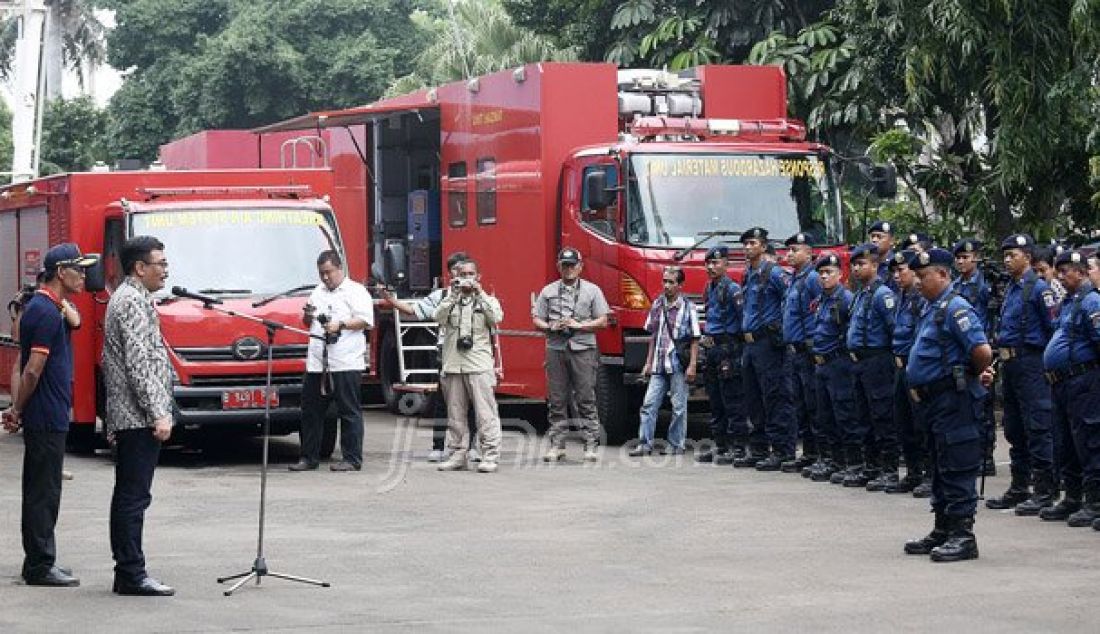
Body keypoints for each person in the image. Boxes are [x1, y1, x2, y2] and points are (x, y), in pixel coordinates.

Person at [2, 244, 96, 588]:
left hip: (50, 412)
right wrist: (17, 409)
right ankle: (39, 565)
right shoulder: (43, 311)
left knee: (47, 488)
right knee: (43, 492)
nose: (84, 276)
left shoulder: (51, 306)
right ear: (60, 272)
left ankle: (40, 561)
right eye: (79, 270)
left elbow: (77, 320)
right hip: (44, 414)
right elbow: (32, 370)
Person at [902, 248, 992, 563]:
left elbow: (981, 350)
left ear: (942, 274)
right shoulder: (932, 308)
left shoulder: (956, 308)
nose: (916, 282)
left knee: (957, 464)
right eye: (915, 276)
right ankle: (943, 529)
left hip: (953, 399)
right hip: (934, 402)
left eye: (922, 276)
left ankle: (963, 536)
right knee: (940, 466)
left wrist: (973, 373)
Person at [102, 236, 176, 596]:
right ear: (139, 268)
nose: (166, 269)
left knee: (132, 495)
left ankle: (129, 571)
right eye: (159, 263)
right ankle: (131, 573)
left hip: (137, 414)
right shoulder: (130, 301)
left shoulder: (137, 297)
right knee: (133, 496)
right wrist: (158, 412)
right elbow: (138, 363)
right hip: (136, 417)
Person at [985, 234, 1058, 515]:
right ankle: (1019, 486)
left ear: (1027, 257)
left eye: (1012, 255)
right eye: (1004, 255)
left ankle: (1044, 489)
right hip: (1010, 364)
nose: (1006, 260)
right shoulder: (1012, 290)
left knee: (1038, 426)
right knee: (1014, 428)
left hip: (1031, 362)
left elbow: (1053, 329)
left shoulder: (1039, 289)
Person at [385, 251, 479, 462]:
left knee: (473, 401)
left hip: (472, 355)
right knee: (442, 401)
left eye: (464, 271)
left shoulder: (478, 295)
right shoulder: (442, 296)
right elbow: (416, 310)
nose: (459, 275)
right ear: (449, 273)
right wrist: (392, 301)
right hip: (446, 354)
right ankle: (438, 446)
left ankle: (474, 445)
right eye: (455, 270)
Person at [290, 250, 375, 472]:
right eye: (321, 273)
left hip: (345, 361)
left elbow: (366, 320)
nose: (325, 277)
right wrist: (308, 316)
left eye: (328, 272)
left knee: (348, 411)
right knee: (311, 411)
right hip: (318, 361)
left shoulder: (356, 291)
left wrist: (341, 325)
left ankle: (352, 458)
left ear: (340, 269)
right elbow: (307, 322)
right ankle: (309, 457)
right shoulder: (317, 292)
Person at [1039, 250, 1100, 527]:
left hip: (1084, 380)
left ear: (1082, 272)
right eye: (1059, 271)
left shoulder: (1092, 302)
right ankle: (1072, 497)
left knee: (1088, 441)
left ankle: (1095, 501)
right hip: (1063, 382)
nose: (1061, 277)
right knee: (1065, 441)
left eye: (1066, 271)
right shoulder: (1069, 302)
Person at [533, 247, 610, 462]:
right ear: (558, 266)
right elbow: (536, 319)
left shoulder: (592, 291)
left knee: (585, 397)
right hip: (556, 348)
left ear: (580, 267)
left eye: (572, 265)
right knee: (557, 399)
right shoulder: (548, 291)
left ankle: (591, 444)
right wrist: (550, 326)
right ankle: (557, 444)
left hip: (583, 348)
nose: (568, 269)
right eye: (564, 265)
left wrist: (579, 325)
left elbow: (603, 321)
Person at [434, 259, 504, 473]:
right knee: (455, 414)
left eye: (470, 274)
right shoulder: (450, 299)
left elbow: (496, 318)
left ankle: (490, 454)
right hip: (454, 364)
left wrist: (479, 293)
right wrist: (454, 295)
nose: (466, 278)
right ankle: (457, 454)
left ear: (478, 276)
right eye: (462, 274)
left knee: (485, 413)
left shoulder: (488, 300)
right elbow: (437, 317)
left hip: (479, 364)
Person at [8, 277, 80, 482]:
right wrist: (22, 307)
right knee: (22, 368)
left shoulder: (60, 304)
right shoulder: (37, 307)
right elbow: (17, 337)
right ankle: (17, 407)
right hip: (43, 401)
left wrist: (61, 302)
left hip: (53, 387)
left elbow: (76, 322)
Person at [735, 227, 794, 470]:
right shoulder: (748, 273)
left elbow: (789, 300)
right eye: (745, 244)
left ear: (763, 245)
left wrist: (779, 331)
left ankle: (781, 450)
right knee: (753, 397)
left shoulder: (774, 273)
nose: (748, 248)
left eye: (752, 243)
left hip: (767, 343)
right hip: (749, 344)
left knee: (775, 396)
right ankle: (758, 447)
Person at [630, 266, 699, 456]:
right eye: (665, 281)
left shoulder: (688, 308)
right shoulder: (657, 305)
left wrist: (692, 365)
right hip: (659, 365)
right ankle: (645, 444)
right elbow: (653, 335)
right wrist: (648, 362)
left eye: (671, 282)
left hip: (678, 365)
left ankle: (676, 445)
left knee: (678, 407)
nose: (666, 285)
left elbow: (695, 339)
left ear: (680, 285)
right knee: (648, 405)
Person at [845, 243, 898, 490]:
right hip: (859, 363)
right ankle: (871, 466)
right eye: (854, 264)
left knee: (882, 415)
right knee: (863, 416)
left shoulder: (882, 294)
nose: (857, 269)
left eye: (862, 264)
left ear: (875, 265)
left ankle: (888, 469)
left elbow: (893, 329)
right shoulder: (860, 294)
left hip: (877, 361)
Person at [806, 253, 856, 483]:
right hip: (821, 364)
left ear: (840, 274)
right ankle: (832, 460)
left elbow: (849, 331)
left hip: (838, 363)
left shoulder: (845, 299)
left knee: (844, 414)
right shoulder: (821, 300)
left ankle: (851, 463)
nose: (824, 277)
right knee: (824, 414)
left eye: (829, 273)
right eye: (821, 273)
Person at [695, 246, 746, 464]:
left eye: (716, 263)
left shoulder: (733, 289)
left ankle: (739, 447)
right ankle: (721, 445)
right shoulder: (709, 288)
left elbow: (742, 320)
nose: (711, 267)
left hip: (728, 349)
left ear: (726, 264)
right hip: (711, 349)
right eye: (708, 263)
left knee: (732, 400)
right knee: (715, 401)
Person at [952, 239, 996, 477]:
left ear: (976, 258)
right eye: (958, 258)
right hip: (962, 349)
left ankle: (986, 454)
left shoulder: (985, 284)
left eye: (965, 257)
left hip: (981, 345)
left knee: (983, 403)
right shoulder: (956, 285)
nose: (961, 262)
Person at [887, 250, 928, 494]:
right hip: (899, 365)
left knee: (920, 423)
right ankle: (913, 472)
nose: (896, 275)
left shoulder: (921, 298)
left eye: (901, 270)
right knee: (904, 422)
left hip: (915, 366)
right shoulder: (900, 297)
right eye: (893, 271)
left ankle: (929, 473)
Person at [781, 233, 821, 472]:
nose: (790, 254)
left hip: (808, 351)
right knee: (800, 403)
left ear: (808, 253)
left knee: (813, 402)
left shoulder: (813, 278)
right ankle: (808, 452)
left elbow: (820, 311)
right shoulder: (794, 279)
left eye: (795, 250)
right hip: (793, 350)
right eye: (789, 250)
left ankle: (819, 453)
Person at [868, 220, 897, 290]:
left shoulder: (896, 265)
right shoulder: (867, 264)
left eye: (879, 237)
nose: (874, 240)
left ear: (891, 241)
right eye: (872, 236)